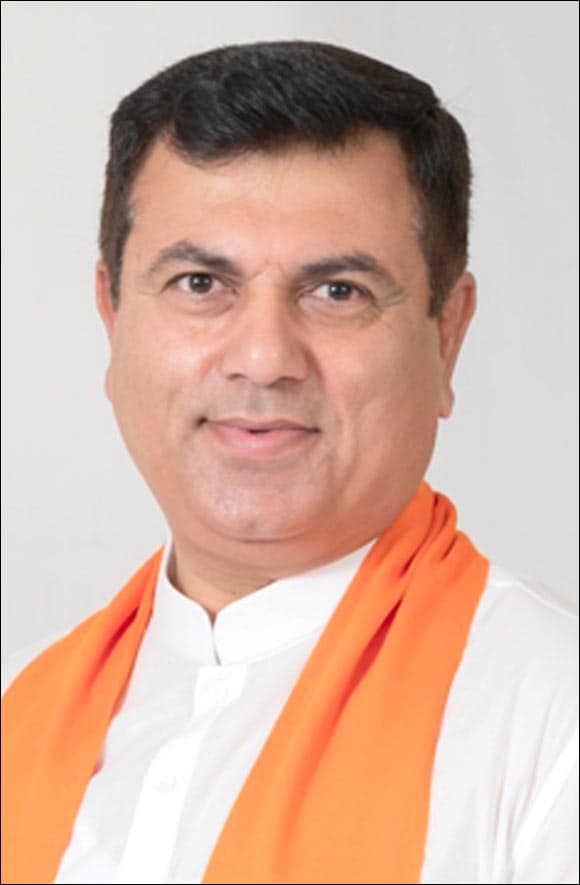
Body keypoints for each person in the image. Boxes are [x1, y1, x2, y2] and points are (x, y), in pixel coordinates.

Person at [1, 40, 577, 885]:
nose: (264, 357)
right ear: (112, 316)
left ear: (447, 336)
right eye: (201, 283)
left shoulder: (551, 722)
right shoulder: (18, 708)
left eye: (337, 291)